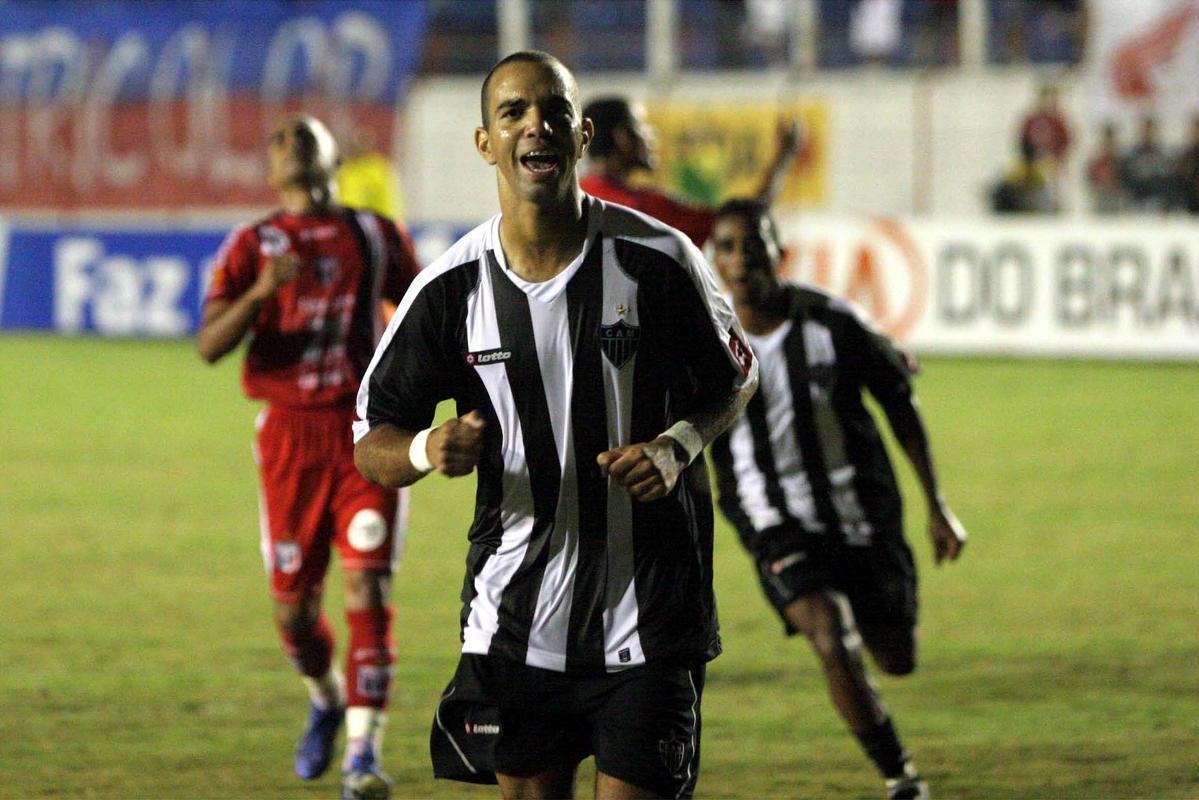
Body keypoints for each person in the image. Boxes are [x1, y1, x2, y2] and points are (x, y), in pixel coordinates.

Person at [352, 51, 759, 799]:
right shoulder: (448, 290)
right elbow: (371, 442)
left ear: (580, 136)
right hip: (514, 622)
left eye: (553, 112)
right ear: (485, 142)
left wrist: (677, 446)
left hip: (651, 613)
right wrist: (423, 447)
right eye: (512, 112)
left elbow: (734, 376)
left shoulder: (658, 260)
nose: (535, 124)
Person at [706, 199, 968, 800]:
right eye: (727, 246)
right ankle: (901, 777)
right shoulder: (707, 337)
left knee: (896, 658)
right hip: (771, 517)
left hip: (861, 514)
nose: (741, 259)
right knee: (831, 636)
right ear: (714, 257)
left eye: (753, 245)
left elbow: (900, 406)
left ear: (779, 251)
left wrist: (936, 505)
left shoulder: (831, 323)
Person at [197, 115, 420, 800]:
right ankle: (325, 698)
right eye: (279, 140)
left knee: (366, 588)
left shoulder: (374, 233)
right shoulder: (251, 244)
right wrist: (262, 293)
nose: (293, 143)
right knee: (294, 612)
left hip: (364, 434)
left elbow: (422, 309)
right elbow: (209, 345)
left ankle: (363, 758)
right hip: (289, 441)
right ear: (270, 170)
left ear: (333, 158)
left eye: (307, 135)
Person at [580, 95, 799, 247]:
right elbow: (740, 219)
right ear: (623, 138)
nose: (651, 135)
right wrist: (783, 158)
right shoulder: (644, 207)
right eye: (643, 126)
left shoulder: (574, 196)